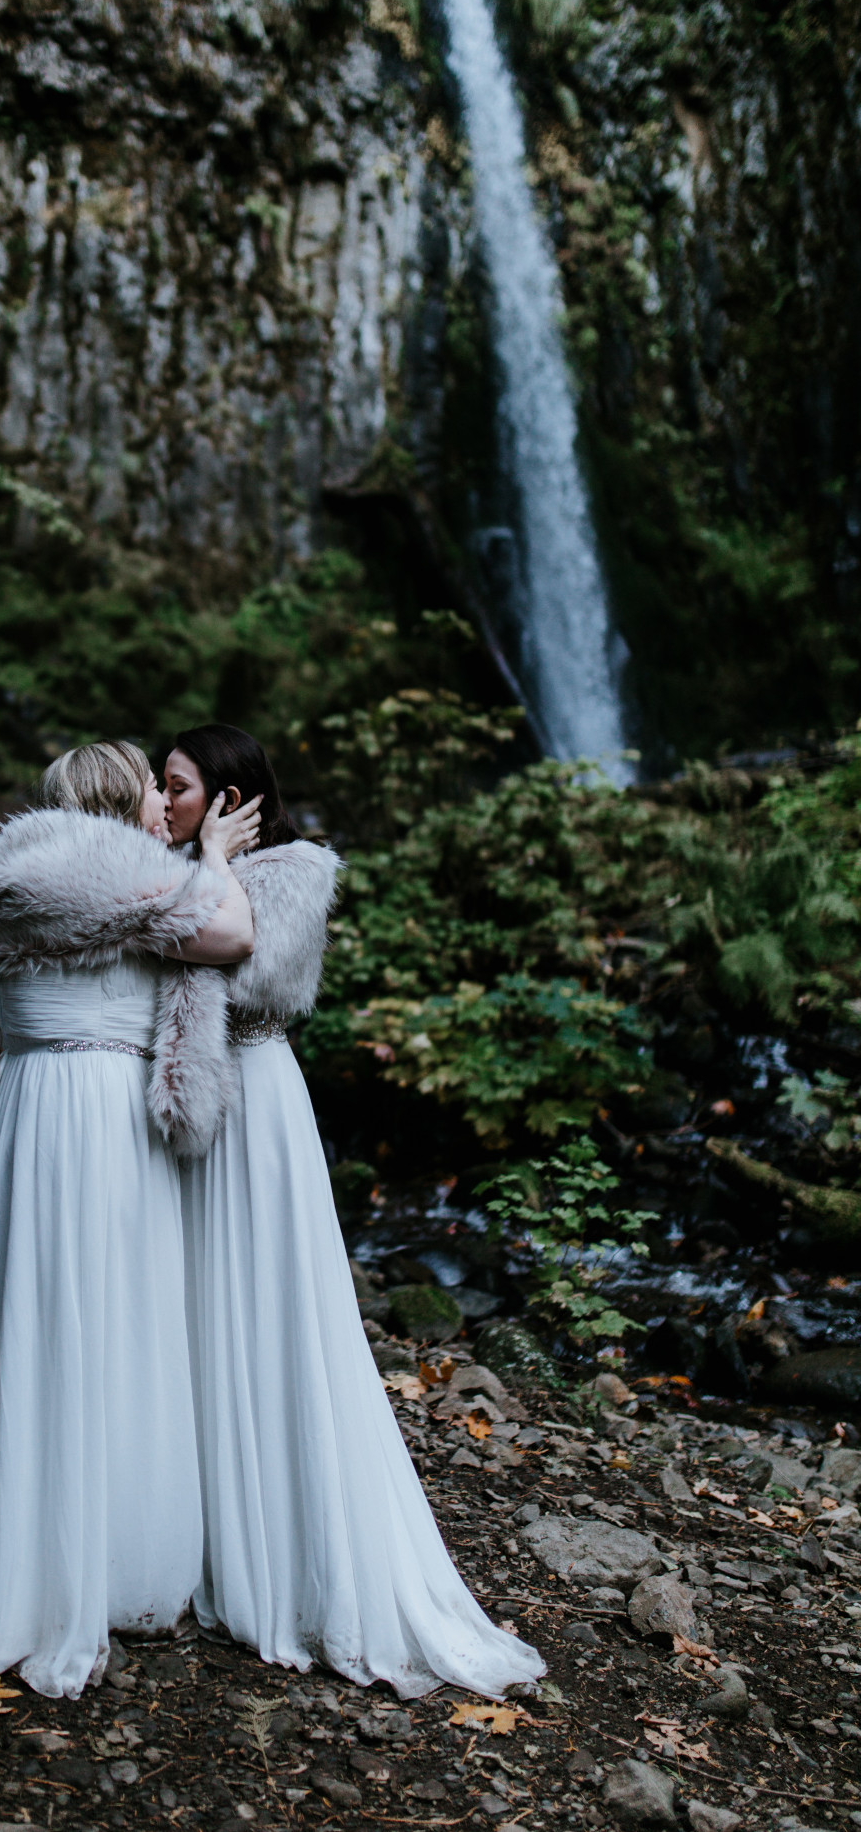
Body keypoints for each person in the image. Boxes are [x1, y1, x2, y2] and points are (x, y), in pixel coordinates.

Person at [162, 724, 544, 1698]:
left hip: (255, 1104)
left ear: (230, 797)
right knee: (195, 1313)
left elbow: (257, 978)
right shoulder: (172, 860)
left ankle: (292, 1550)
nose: (165, 803)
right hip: (199, 1106)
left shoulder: (294, 872)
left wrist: (200, 886)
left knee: (273, 1313)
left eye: (178, 786)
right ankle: (195, 1528)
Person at [0, 739, 260, 1698]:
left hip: (30, 1106)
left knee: (39, 1322)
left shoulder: (10, 873)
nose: (165, 799)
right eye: (152, 785)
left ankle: (32, 1557)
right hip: (100, 1114)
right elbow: (231, 939)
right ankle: (115, 1565)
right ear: (120, 797)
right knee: (121, 1322)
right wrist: (219, 860)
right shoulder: (123, 876)